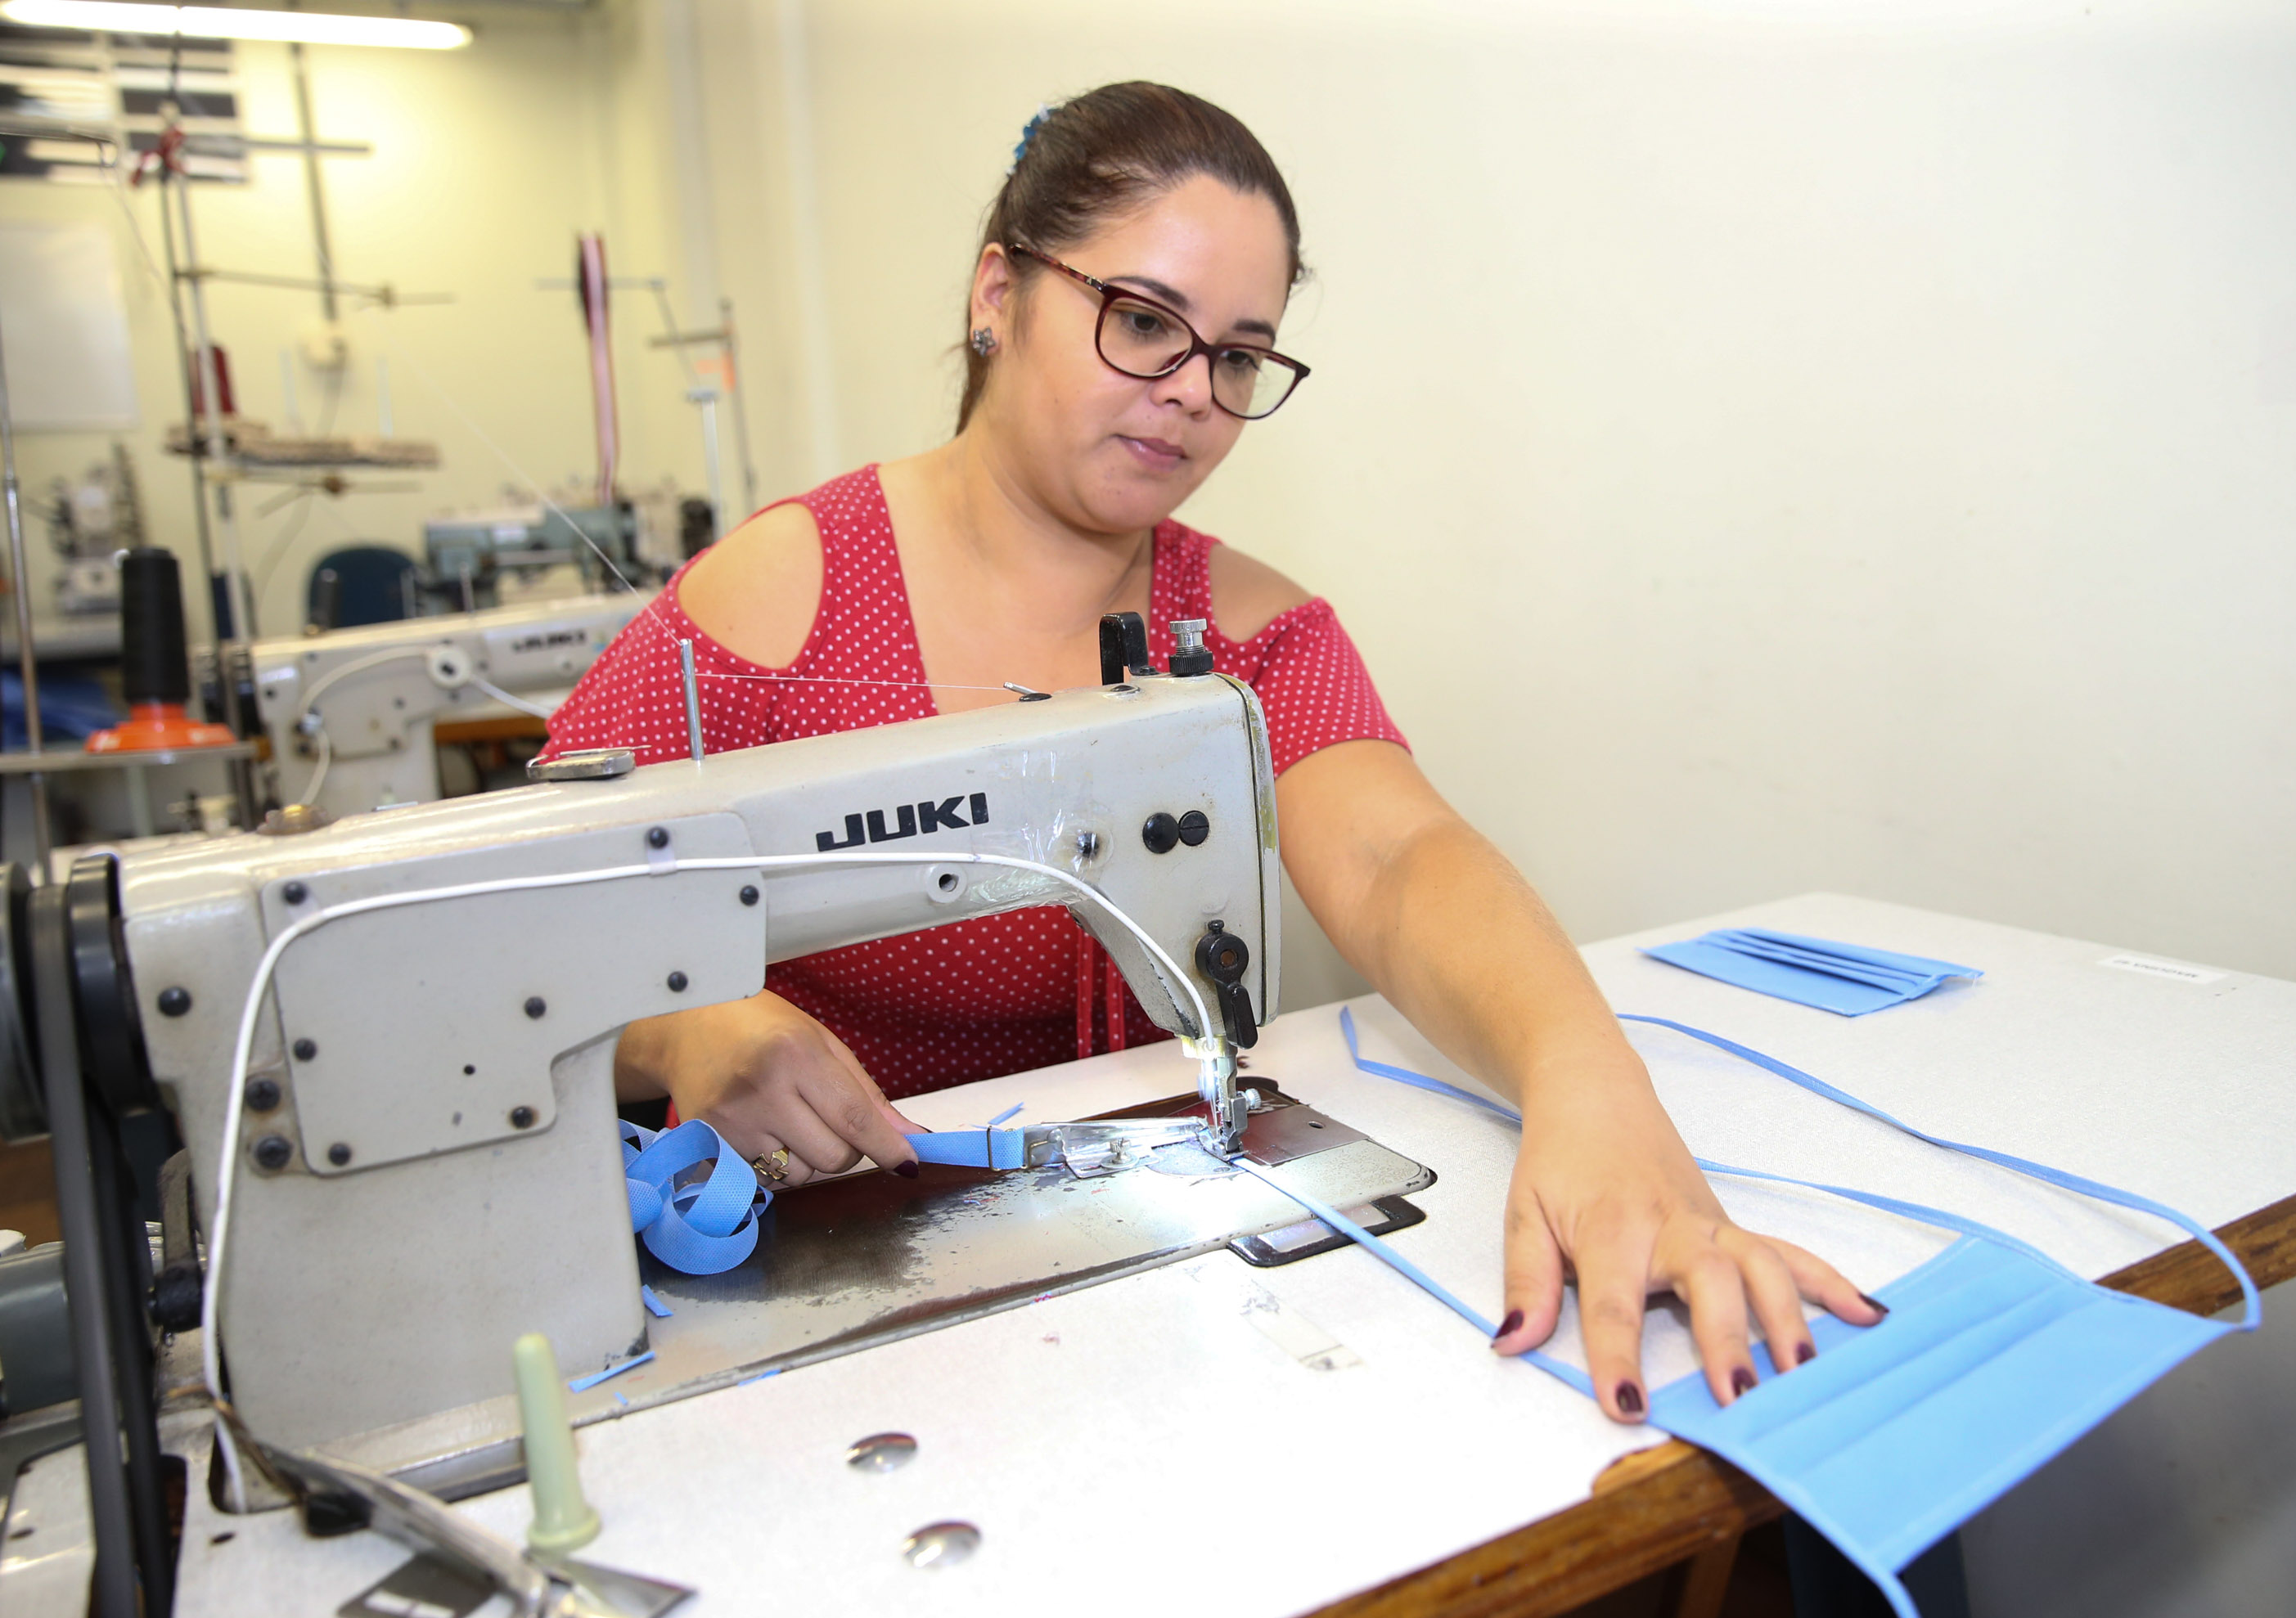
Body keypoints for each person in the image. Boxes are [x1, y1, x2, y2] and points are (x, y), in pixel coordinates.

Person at [544, 82, 1883, 1423]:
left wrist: (1589, 1087)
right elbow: (485, 922)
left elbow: (1404, 856)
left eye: (1238, 357)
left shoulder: (1244, 628)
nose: (1191, 394)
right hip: (795, 1263)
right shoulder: (792, 591)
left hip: (1103, 1285)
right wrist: (681, 1026)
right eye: (1143, 322)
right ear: (996, 295)